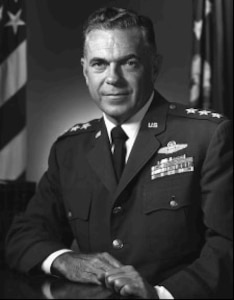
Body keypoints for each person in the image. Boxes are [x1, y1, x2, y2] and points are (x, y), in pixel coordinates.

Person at [5, 7, 233, 299]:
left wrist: (160, 294)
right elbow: (23, 235)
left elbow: (227, 244)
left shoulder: (208, 136)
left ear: (154, 66)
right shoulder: (69, 150)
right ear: (85, 71)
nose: (113, 78)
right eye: (99, 64)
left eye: (129, 63)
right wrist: (64, 260)